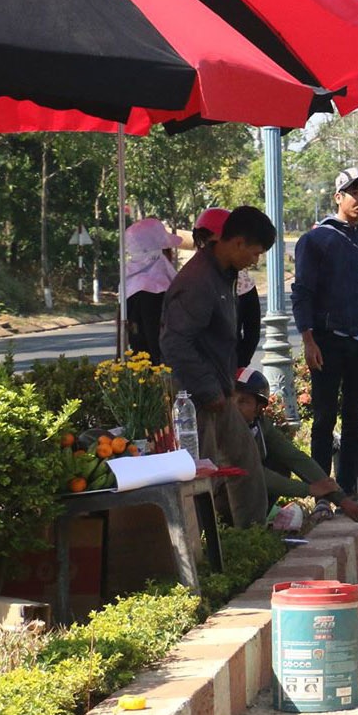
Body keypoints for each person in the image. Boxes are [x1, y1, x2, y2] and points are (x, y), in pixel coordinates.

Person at [160, 206, 275, 528]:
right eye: (255, 253)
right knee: (200, 474)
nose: (255, 260)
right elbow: (175, 343)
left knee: (245, 461)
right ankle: (201, 546)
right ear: (237, 243)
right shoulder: (198, 281)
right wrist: (208, 390)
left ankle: (251, 537)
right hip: (193, 394)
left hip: (218, 389)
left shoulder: (224, 273)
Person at [291, 166, 358, 497]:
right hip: (326, 343)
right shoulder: (316, 240)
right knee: (323, 419)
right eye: (354, 193)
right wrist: (308, 340)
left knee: (354, 420)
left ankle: (347, 490)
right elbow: (302, 293)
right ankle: (322, 494)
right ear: (338, 197)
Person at [232, 367, 358, 525]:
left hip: (242, 491)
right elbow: (252, 473)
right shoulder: (223, 429)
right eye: (231, 400)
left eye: (243, 401)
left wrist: (342, 500)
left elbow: (295, 458)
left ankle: (254, 524)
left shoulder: (260, 426)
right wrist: (308, 489)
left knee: (279, 464)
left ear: (259, 408)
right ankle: (241, 528)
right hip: (222, 494)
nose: (234, 407)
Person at [195, 207, 262, 368]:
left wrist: (239, 364)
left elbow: (252, 331)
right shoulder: (191, 278)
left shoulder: (243, 283)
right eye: (202, 241)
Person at [123, 218, 182, 363]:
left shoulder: (130, 284)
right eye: (168, 249)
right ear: (159, 252)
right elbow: (156, 341)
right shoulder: (154, 289)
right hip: (157, 370)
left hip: (138, 368)